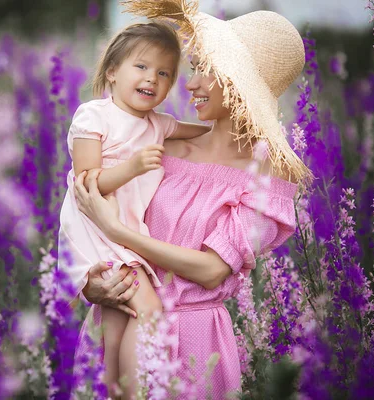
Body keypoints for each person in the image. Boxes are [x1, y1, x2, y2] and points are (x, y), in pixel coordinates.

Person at [73, 2, 313, 398]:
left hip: (194, 340)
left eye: (206, 71)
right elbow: (91, 208)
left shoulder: (268, 175)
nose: (190, 83)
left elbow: (211, 271)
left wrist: (117, 230)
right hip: (120, 312)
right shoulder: (158, 141)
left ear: (237, 82)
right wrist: (91, 284)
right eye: (195, 67)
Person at [58, 21, 209, 397]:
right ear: (112, 71)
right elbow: (87, 184)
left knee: (116, 316)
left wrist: (236, 130)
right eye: (141, 67)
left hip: (123, 233)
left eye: (164, 74)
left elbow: (205, 132)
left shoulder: (158, 124)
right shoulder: (93, 116)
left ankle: (105, 389)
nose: (152, 79)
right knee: (149, 310)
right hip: (97, 228)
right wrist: (133, 166)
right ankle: (132, 392)